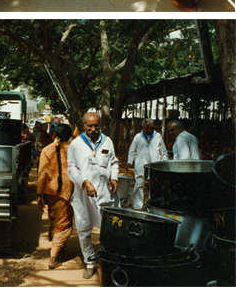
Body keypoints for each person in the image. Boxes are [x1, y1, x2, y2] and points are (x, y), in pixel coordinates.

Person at [68, 112, 118, 279]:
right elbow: (72, 168)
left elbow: (113, 162)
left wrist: (114, 177)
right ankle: (90, 262)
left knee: (109, 228)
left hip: (105, 192)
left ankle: (108, 258)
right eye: (90, 126)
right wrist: (84, 182)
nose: (94, 129)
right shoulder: (75, 144)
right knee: (84, 229)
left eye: (96, 125)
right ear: (83, 126)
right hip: (84, 194)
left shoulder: (107, 141)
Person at [37, 123, 74, 269]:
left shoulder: (47, 150)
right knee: (63, 224)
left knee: (55, 219)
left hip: (50, 192)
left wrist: (39, 195)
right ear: (69, 136)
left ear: (54, 135)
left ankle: (58, 246)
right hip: (66, 192)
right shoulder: (72, 150)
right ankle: (53, 258)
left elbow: (41, 175)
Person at [127, 119, 167, 210]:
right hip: (140, 165)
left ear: (152, 127)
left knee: (153, 186)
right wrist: (129, 161)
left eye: (148, 128)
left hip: (154, 165)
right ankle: (137, 207)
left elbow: (163, 152)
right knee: (139, 185)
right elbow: (132, 150)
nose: (146, 130)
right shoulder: (138, 137)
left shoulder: (158, 136)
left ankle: (151, 205)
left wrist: (165, 164)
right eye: (144, 128)